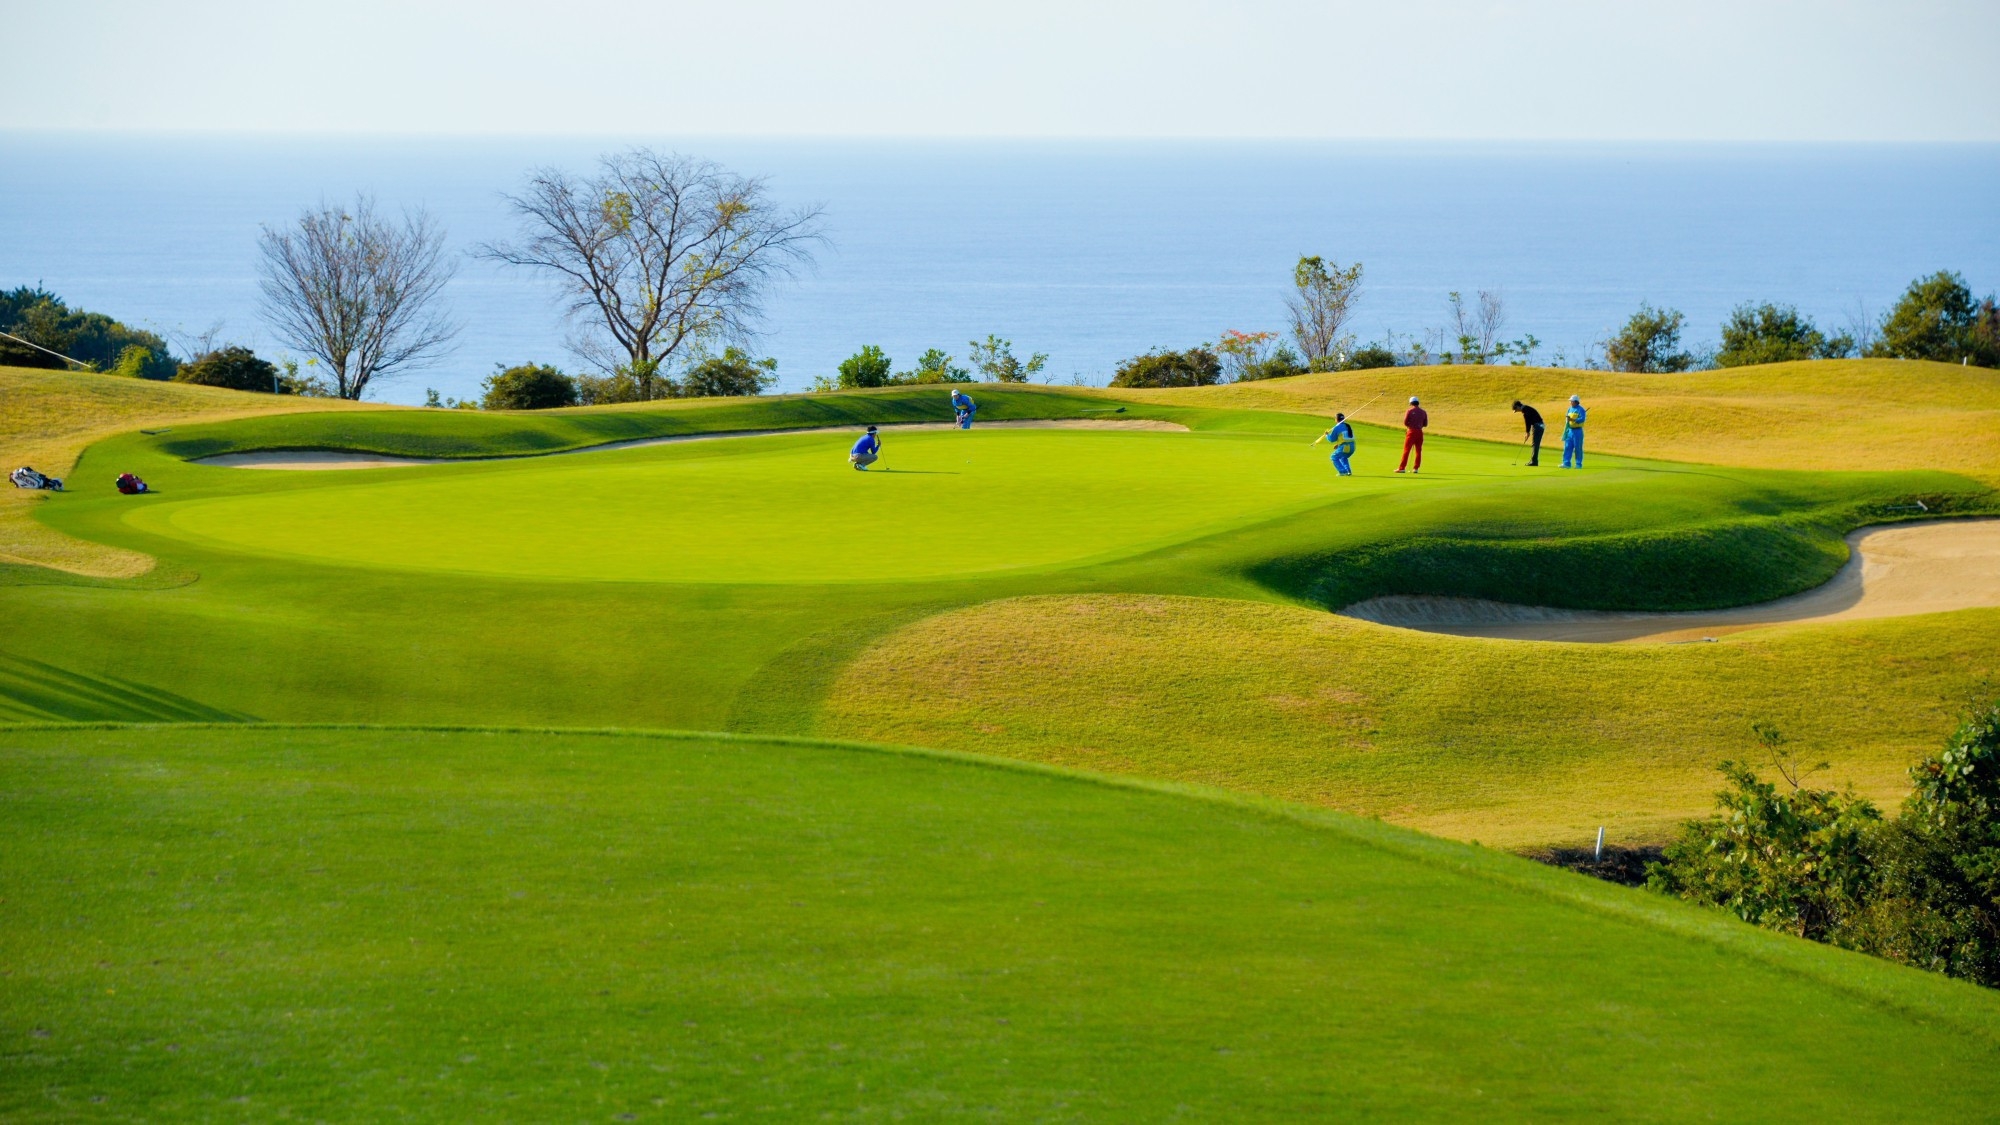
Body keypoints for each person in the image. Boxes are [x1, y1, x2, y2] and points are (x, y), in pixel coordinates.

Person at [1396, 396, 1427, 473]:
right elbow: (1425, 424)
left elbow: (1405, 422)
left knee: (1406, 450)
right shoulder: (1423, 412)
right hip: (1420, 432)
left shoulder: (1409, 411)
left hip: (1411, 432)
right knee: (1418, 451)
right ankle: (1416, 468)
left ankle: (1402, 468)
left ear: (1411, 403)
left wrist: (1410, 426)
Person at [1511, 400, 1545, 466]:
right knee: (1535, 444)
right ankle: (1534, 461)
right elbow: (1529, 421)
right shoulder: (1526, 408)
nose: (1517, 411)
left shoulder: (1524, 410)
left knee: (1535, 444)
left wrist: (1527, 432)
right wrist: (1528, 432)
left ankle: (1534, 462)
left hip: (1538, 426)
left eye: (1516, 409)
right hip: (1538, 425)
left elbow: (1528, 421)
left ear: (1518, 406)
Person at [1562, 394, 1586, 469]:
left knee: (1577, 447)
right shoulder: (1569, 409)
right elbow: (1567, 418)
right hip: (1570, 430)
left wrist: (1574, 420)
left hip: (1577, 431)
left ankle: (1578, 464)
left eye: (1571, 401)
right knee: (1567, 446)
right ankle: (1566, 463)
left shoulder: (1581, 409)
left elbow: (1582, 419)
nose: (1570, 402)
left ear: (1576, 402)